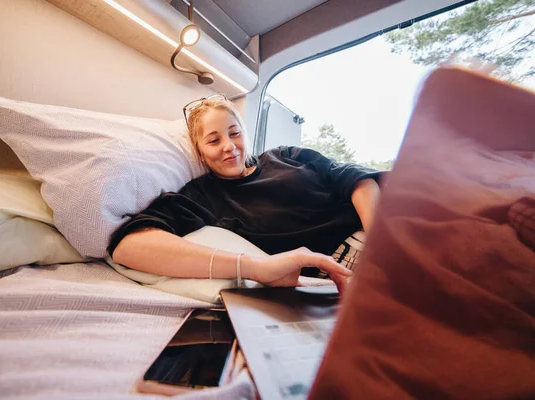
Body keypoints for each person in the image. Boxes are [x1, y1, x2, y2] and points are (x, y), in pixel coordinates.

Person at [109, 95, 383, 295]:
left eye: (235, 133)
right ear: (199, 150)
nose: (229, 147)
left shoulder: (286, 155)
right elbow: (128, 247)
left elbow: (359, 180)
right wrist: (254, 267)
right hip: (341, 266)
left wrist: (383, 244)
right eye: (214, 140)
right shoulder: (201, 196)